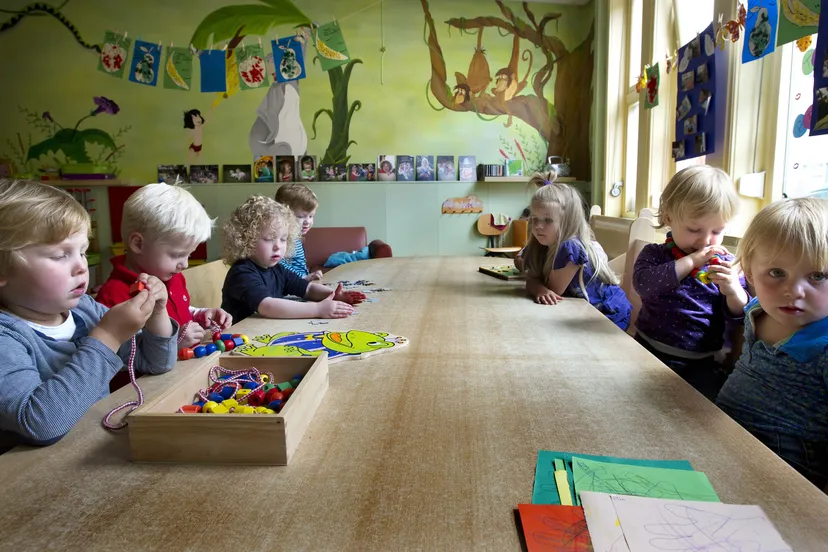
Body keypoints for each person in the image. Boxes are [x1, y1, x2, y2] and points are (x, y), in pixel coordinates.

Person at [0, 179, 177, 451]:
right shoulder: (6, 337)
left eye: (82, 251)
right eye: (61, 255)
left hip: (94, 452)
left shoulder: (84, 309)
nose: (81, 267)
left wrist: (157, 313)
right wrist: (107, 336)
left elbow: (155, 363)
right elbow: (40, 423)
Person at [716, 198, 828, 487]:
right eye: (777, 273)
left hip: (783, 466)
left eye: (817, 276)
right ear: (750, 273)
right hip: (724, 433)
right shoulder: (756, 310)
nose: (794, 291)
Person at [633, 165, 749, 400]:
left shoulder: (725, 263)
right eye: (694, 229)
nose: (706, 240)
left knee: (699, 416)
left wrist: (734, 292)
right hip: (645, 350)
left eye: (717, 231)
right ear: (669, 218)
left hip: (700, 363)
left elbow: (740, 313)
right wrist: (692, 260)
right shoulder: (655, 254)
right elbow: (644, 285)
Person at [96, 183, 232, 349]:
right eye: (176, 255)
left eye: (188, 255)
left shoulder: (173, 277)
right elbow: (118, 356)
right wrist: (174, 344)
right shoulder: (113, 296)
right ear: (138, 244)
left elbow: (180, 312)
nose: (185, 264)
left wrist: (200, 314)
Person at [221, 196, 365, 323]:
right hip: (239, 339)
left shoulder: (276, 268)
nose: (278, 246)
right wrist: (317, 309)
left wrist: (332, 295)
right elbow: (267, 306)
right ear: (246, 240)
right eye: (269, 239)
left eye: (283, 239)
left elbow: (306, 288)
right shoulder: (242, 273)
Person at [522, 172, 632, 330]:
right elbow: (532, 277)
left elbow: (552, 292)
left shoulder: (569, 247)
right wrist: (535, 284)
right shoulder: (545, 245)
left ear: (567, 221)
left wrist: (536, 286)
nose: (538, 226)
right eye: (535, 219)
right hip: (584, 310)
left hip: (607, 313)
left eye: (548, 220)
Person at [275, 182, 322, 281]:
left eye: (311, 216)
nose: (307, 222)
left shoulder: (295, 236)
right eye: (300, 216)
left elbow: (298, 265)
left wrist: (309, 275)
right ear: (283, 214)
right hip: (289, 288)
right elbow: (279, 265)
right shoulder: (283, 239)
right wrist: (303, 277)